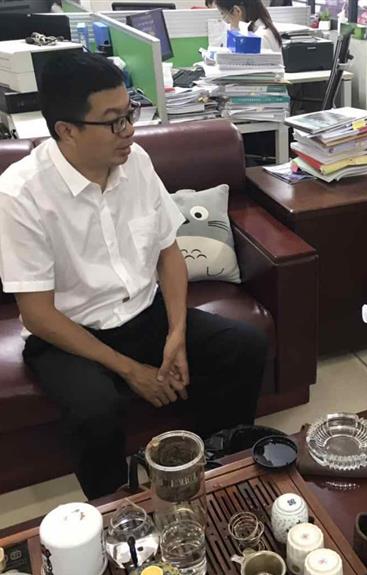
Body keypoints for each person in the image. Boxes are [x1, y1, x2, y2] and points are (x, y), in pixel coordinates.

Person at [0, 53, 268, 500]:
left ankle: (214, 464)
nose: (129, 131)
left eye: (130, 114)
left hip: (145, 314)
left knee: (244, 345)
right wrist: (131, 370)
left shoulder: (136, 162)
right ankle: (113, 507)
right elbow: (38, 315)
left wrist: (176, 333)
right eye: (113, 122)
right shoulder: (20, 194)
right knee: (95, 409)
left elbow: (169, 252)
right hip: (69, 336)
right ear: (67, 130)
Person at [214, 0, 282, 52]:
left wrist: (234, 28)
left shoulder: (259, 38)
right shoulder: (259, 28)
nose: (226, 21)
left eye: (223, 14)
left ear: (236, 11)